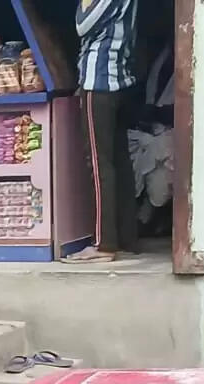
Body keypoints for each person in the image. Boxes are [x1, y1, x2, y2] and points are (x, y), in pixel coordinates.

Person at [63, 0, 139, 265]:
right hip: (119, 79)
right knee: (118, 160)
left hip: (100, 80)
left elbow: (82, 25)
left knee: (98, 163)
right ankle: (127, 237)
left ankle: (104, 244)